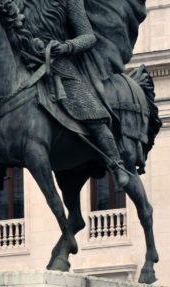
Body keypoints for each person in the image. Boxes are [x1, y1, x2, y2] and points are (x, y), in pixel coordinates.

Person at [31, 0, 131, 189]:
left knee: (91, 113)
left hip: (58, 64)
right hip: (24, 64)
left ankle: (115, 163)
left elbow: (88, 37)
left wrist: (66, 47)